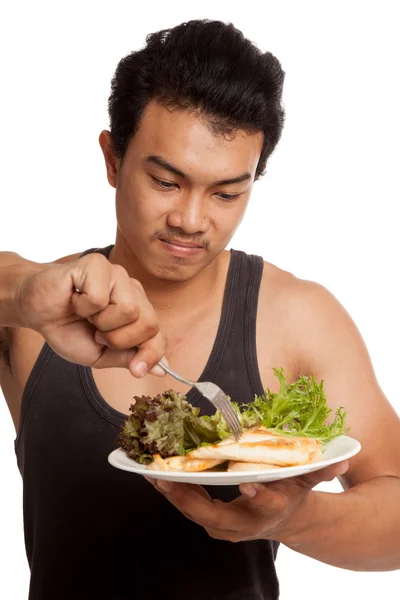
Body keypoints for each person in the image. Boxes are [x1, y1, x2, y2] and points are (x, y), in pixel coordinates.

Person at [0, 18, 399, 600]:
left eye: (227, 193)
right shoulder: (35, 317)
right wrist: (21, 292)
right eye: (166, 182)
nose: (191, 219)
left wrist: (293, 519)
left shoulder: (298, 317)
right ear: (113, 160)